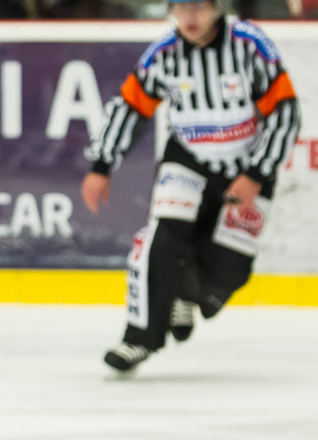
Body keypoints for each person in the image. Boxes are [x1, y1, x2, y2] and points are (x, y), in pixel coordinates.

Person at [82, 0, 301, 373]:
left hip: (247, 163)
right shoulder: (163, 54)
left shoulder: (250, 44)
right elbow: (131, 105)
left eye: (198, 6)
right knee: (163, 239)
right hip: (188, 158)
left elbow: (285, 111)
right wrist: (101, 164)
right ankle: (139, 339)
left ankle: (185, 294)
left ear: (216, 7)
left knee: (228, 269)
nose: (190, 17)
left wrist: (256, 174)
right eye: (181, 8)